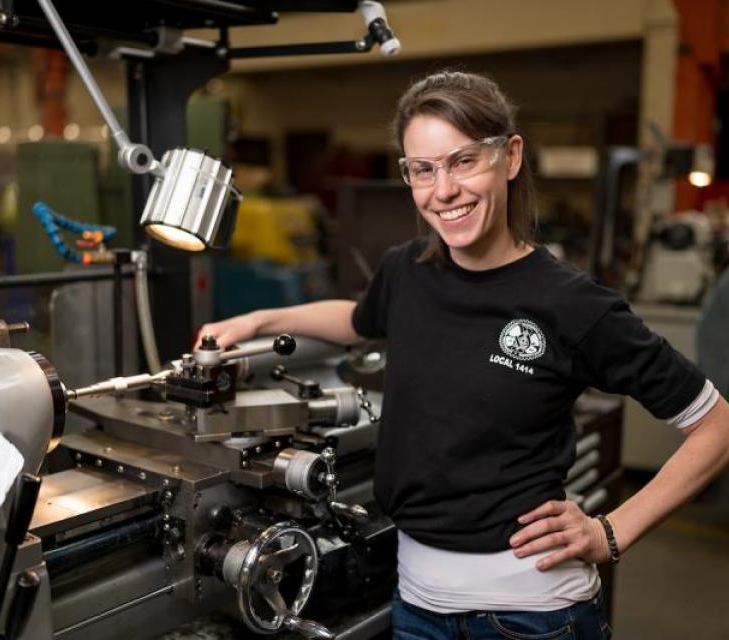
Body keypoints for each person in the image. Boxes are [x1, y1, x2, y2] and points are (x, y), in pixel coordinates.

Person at [198, 70, 729, 640]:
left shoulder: (572, 304)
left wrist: (611, 533)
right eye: (422, 170)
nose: (442, 190)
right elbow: (357, 320)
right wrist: (257, 320)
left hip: (533, 617)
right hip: (418, 607)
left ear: (511, 157)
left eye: (462, 162)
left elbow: (716, 426)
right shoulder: (408, 270)